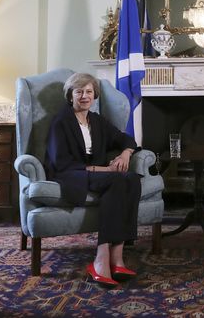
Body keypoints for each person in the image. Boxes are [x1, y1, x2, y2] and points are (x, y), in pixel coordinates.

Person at [44, 72, 141, 288]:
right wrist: (105, 169)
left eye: (89, 92)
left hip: (96, 172)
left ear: (94, 95)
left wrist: (125, 154)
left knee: (132, 179)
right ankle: (101, 258)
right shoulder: (61, 122)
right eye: (79, 92)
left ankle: (117, 257)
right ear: (71, 96)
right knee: (116, 180)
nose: (85, 96)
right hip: (71, 173)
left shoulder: (96, 121)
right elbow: (61, 162)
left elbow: (126, 138)